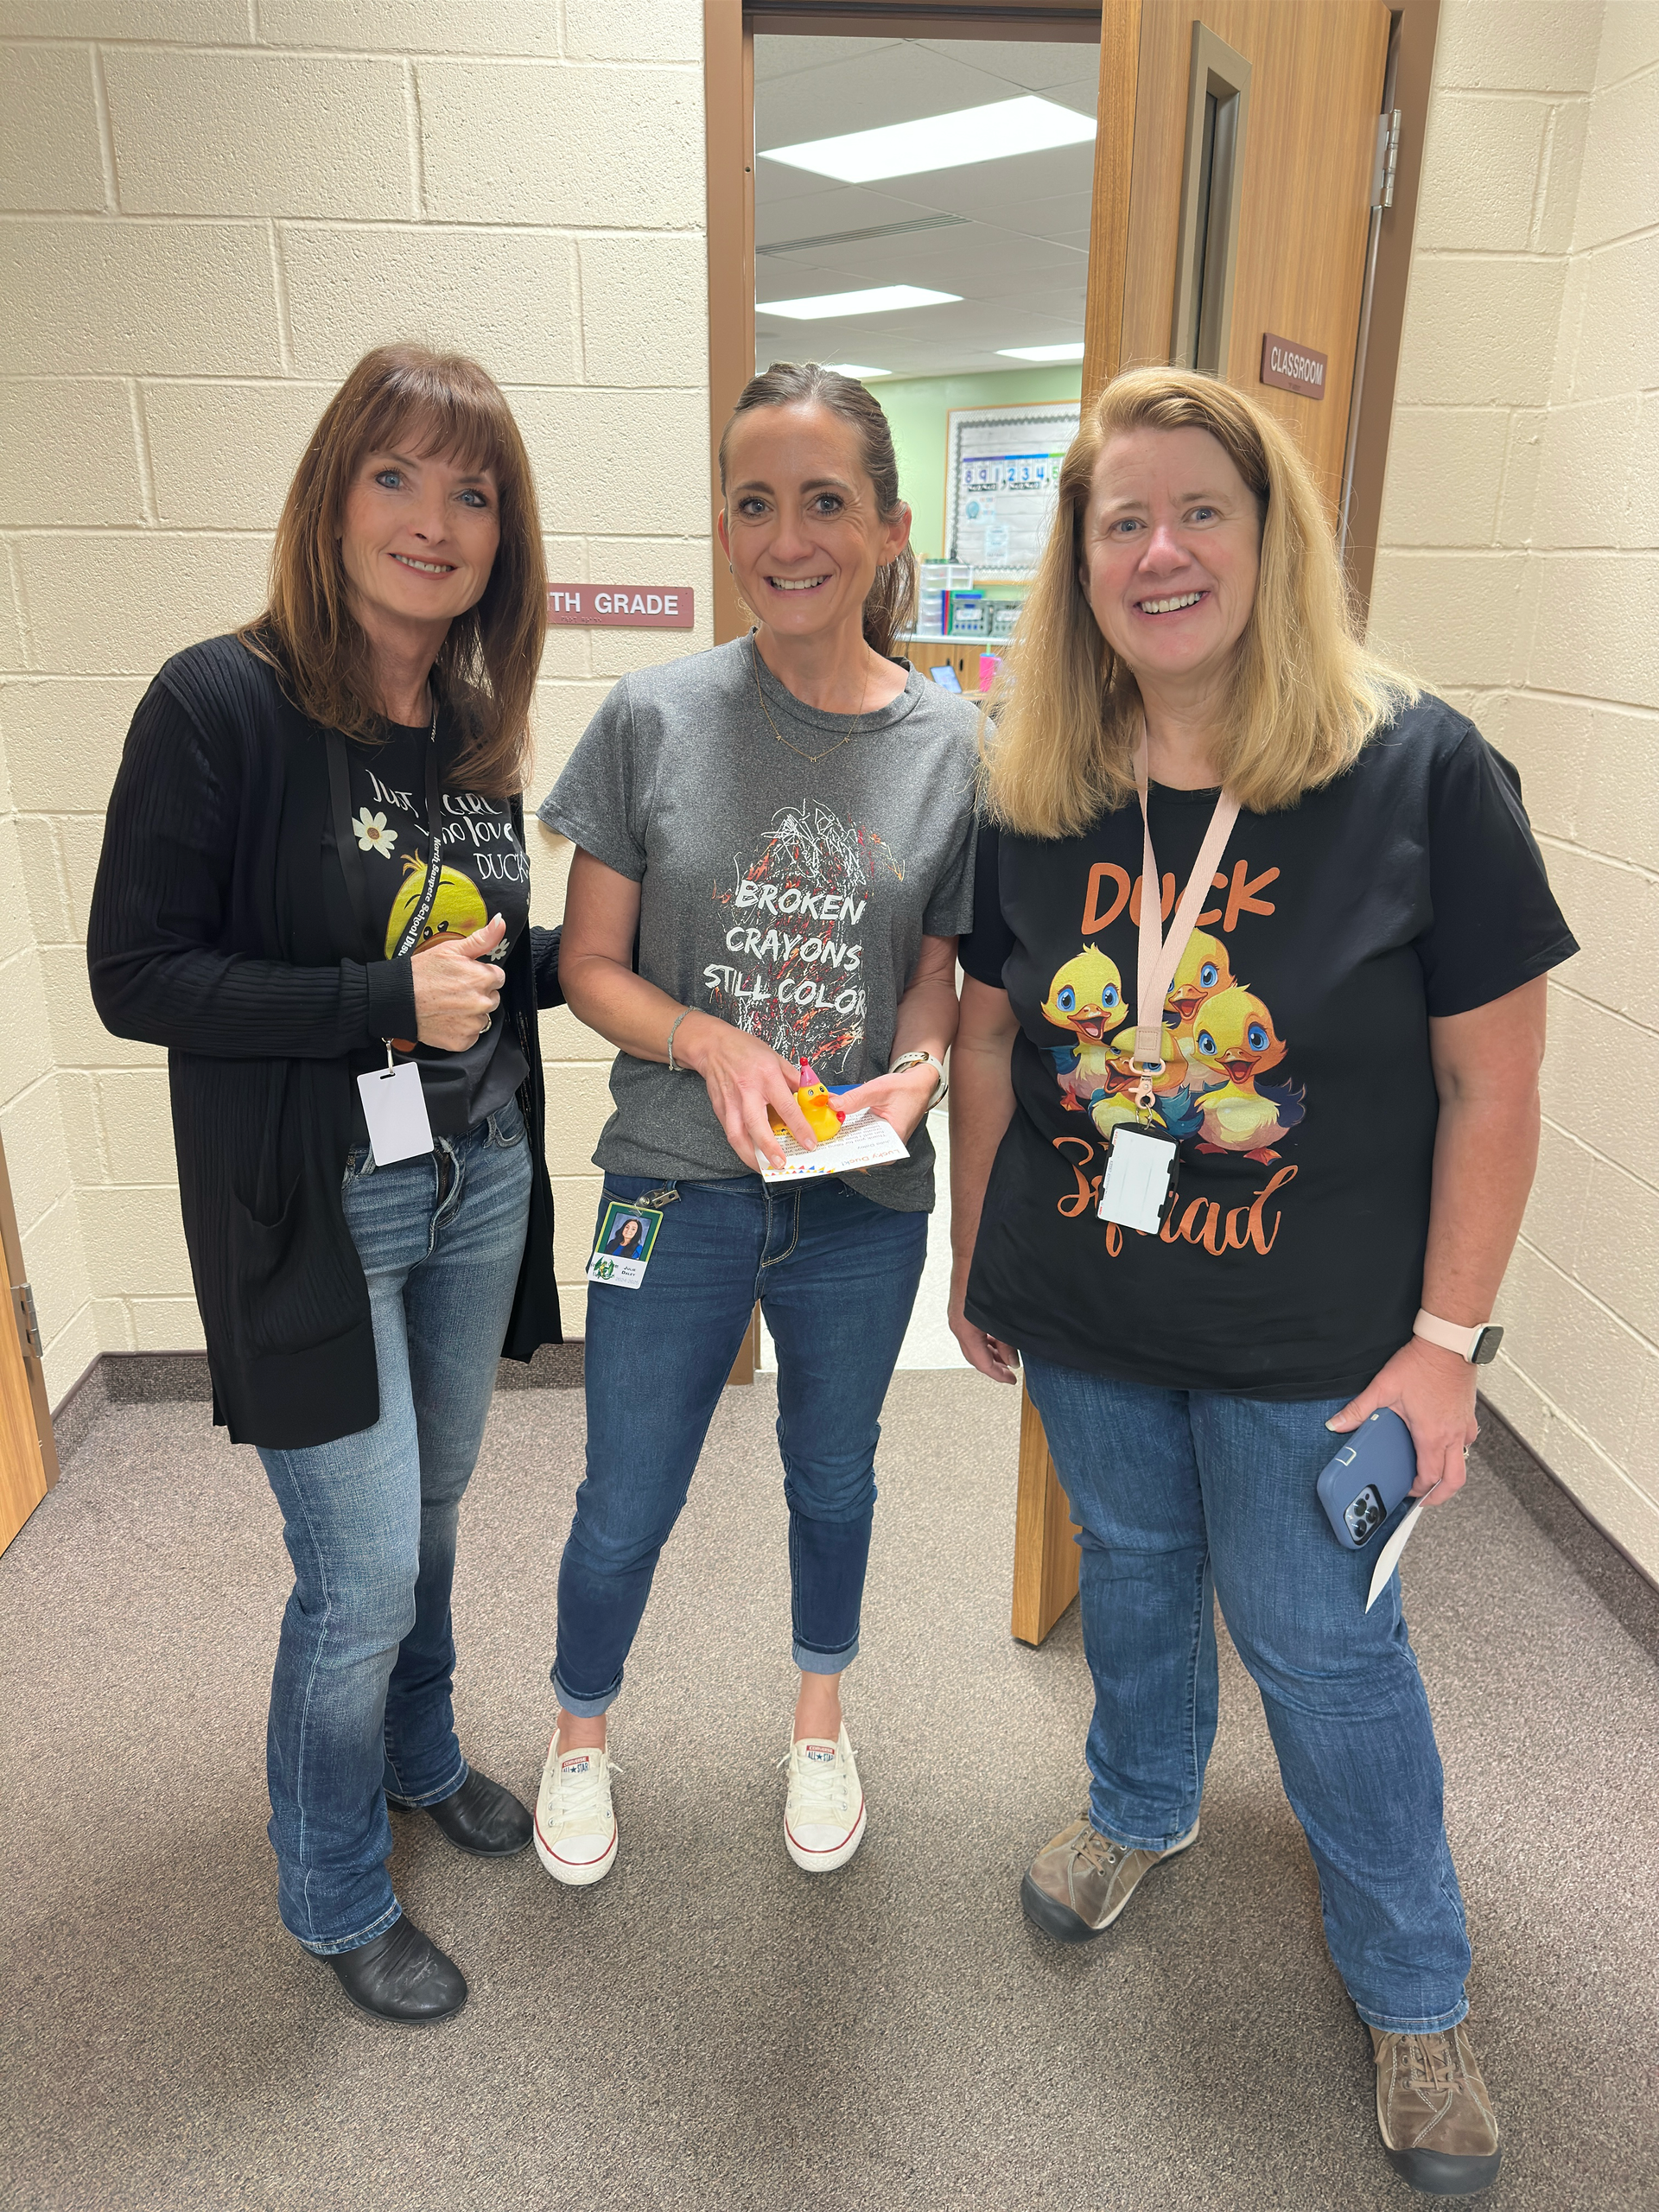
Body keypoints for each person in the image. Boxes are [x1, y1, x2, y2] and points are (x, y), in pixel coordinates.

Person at [949, 368, 1575, 2197]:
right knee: (1134, 1577)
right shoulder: (1041, 777)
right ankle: (1140, 1803)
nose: (1160, 550)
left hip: (1325, 1341)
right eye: (1119, 520)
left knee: (1323, 1643)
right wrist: (977, 1244)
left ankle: (1413, 1982)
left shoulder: (1418, 767)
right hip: (1093, 1302)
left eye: (1198, 510)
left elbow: (1497, 1082)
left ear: (1270, 532)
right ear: (1078, 564)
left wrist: (1449, 1347)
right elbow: (995, 1030)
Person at [87, 346, 566, 2027]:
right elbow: (135, 975)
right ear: (331, 493)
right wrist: (383, 1004)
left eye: (474, 489)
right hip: (318, 1207)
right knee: (355, 1568)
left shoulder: (472, 723)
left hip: (475, 1180)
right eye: (397, 475)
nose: (435, 520)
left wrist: (642, 968)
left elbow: (473, 966)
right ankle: (333, 1883)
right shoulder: (219, 704)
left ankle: (423, 1750)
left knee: (428, 1524)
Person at [535, 362, 978, 1886]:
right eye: (753, 502)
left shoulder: (952, 748)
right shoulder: (652, 719)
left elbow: (937, 972)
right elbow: (587, 964)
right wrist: (701, 1030)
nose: (788, 537)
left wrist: (917, 1070)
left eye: (826, 502)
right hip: (676, 1177)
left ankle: (818, 1716)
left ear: (887, 527)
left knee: (835, 1473)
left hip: (859, 1202)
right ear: (724, 523)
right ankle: (580, 1731)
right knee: (624, 1490)